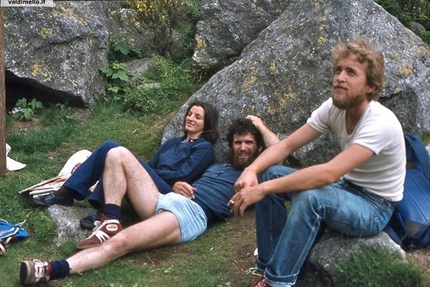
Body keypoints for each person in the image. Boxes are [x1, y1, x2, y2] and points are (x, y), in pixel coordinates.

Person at [230, 37, 406, 287]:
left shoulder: (380, 123)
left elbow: (329, 174)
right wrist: (252, 170)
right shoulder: (335, 107)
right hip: (347, 189)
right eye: (338, 70)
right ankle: (270, 264)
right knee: (270, 173)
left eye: (351, 72)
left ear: (370, 86)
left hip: (375, 206)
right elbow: (287, 145)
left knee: (310, 197)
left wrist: (261, 189)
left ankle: (278, 282)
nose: (340, 77)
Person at [19, 116, 279, 285]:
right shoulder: (219, 166)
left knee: (121, 243)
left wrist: (260, 125)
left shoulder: (258, 172)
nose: (242, 147)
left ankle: (51, 269)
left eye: (248, 143)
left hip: (191, 215)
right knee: (116, 152)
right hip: (168, 198)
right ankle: (110, 218)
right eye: (237, 142)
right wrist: (177, 185)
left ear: (258, 148)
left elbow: (279, 152)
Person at [33, 101, 219, 218]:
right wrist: (147, 169)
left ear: (207, 123)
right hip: (153, 181)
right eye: (189, 114)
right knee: (111, 152)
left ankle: (67, 193)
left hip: (168, 192)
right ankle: (100, 210)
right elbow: (152, 164)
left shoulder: (203, 148)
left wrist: (146, 170)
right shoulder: (172, 142)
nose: (190, 118)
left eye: (198, 117)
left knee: (111, 148)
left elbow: (183, 174)